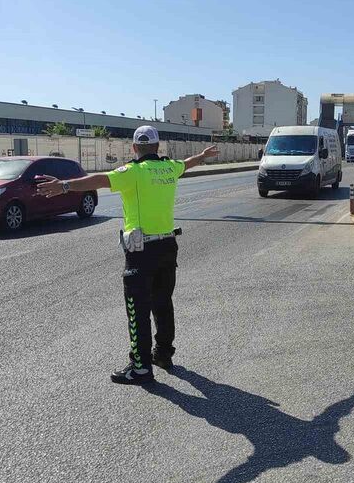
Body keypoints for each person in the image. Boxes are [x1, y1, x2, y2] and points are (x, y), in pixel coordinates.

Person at [37, 126, 218, 385]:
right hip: (168, 246)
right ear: (158, 147)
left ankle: (141, 367)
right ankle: (163, 354)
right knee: (163, 303)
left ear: (134, 148)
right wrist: (201, 156)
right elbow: (186, 164)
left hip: (142, 251)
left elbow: (100, 179)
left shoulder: (132, 172)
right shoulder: (169, 168)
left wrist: (64, 185)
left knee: (137, 309)